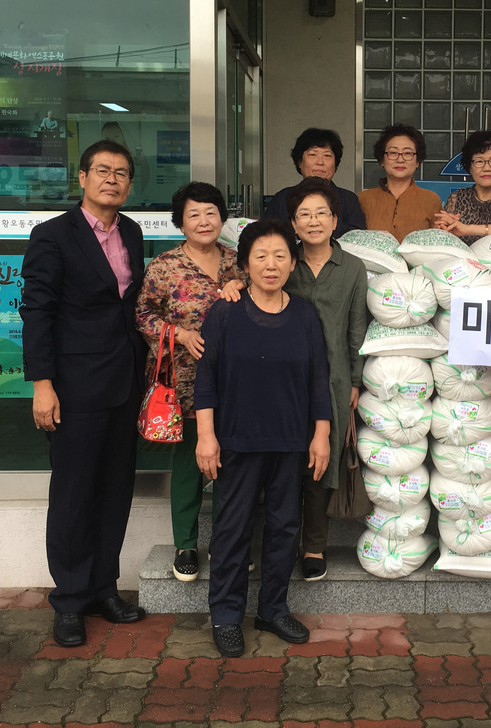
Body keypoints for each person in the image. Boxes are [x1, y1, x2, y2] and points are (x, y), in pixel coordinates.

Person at [21, 139, 148, 648]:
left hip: (124, 383)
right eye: (102, 170)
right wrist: (42, 384)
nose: (112, 180)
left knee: (115, 491)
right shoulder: (53, 235)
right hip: (73, 387)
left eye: (121, 173)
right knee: (74, 495)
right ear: (82, 177)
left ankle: (103, 589)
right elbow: (37, 311)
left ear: (130, 183)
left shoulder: (132, 232)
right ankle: (70, 600)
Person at [194, 219, 332, 657]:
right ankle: (226, 615)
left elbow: (318, 379)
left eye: (279, 256)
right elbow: (206, 380)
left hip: (291, 441)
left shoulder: (304, 315)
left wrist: (321, 435)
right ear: (245, 264)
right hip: (237, 440)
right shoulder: (225, 313)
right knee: (232, 528)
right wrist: (206, 436)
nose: (270, 265)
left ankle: (272, 609)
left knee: (284, 527)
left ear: (292, 263)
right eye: (261, 256)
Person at [135, 182, 244, 584]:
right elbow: (142, 314)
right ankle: (186, 544)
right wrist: (178, 334)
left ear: (222, 218)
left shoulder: (239, 262)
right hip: (184, 380)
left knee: (233, 465)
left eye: (211, 212)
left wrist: (243, 285)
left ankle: (226, 542)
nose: (203, 221)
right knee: (189, 465)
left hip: (236, 381)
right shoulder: (164, 266)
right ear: (180, 223)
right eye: (193, 214)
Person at [283, 177, 367, 580]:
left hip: (332, 379)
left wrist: (354, 381)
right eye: (304, 214)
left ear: (335, 221)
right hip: (283, 380)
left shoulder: (352, 268)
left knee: (322, 460)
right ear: (293, 224)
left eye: (321, 213)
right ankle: (282, 542)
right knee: (285, 461)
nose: (313, 221)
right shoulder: (283, 262)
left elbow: (356, 327)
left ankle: (314, 545)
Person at [264, 128, 366, 236]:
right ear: (300, 162)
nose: (320, 162)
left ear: (335, 164)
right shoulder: (282, 199)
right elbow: (266, 236)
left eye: (327, 156)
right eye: (312, 155)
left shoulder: (349, 200)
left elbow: (357, 239)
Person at [358, 123, 442, 242]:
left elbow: (436, 242)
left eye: (407, 153)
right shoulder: (363, 199)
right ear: (382, 160)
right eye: (393, 153)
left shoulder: (431, 200)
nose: (400, 159)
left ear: (417, 161)